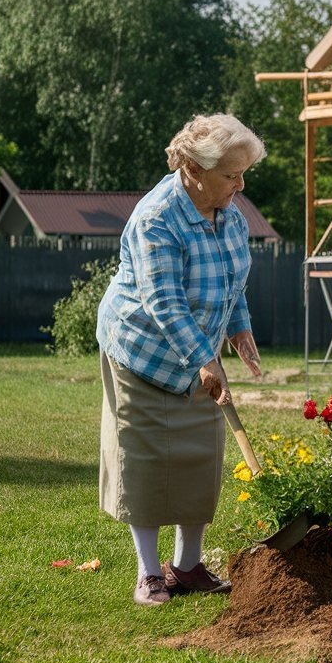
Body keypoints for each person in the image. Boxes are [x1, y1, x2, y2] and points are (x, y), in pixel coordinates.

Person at [97, 113, 266, 606]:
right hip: (143, 350)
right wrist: (203, 358)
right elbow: (164, 301)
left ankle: (188, 567)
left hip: (199, 352)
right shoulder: (157, 218)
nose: (240, 183)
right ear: (194, 168)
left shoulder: (230, 214)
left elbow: (232, 278)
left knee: (200, 455)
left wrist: (238, 327)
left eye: (243, 173)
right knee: (145, 459)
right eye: (231, 174)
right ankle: (149, 574)